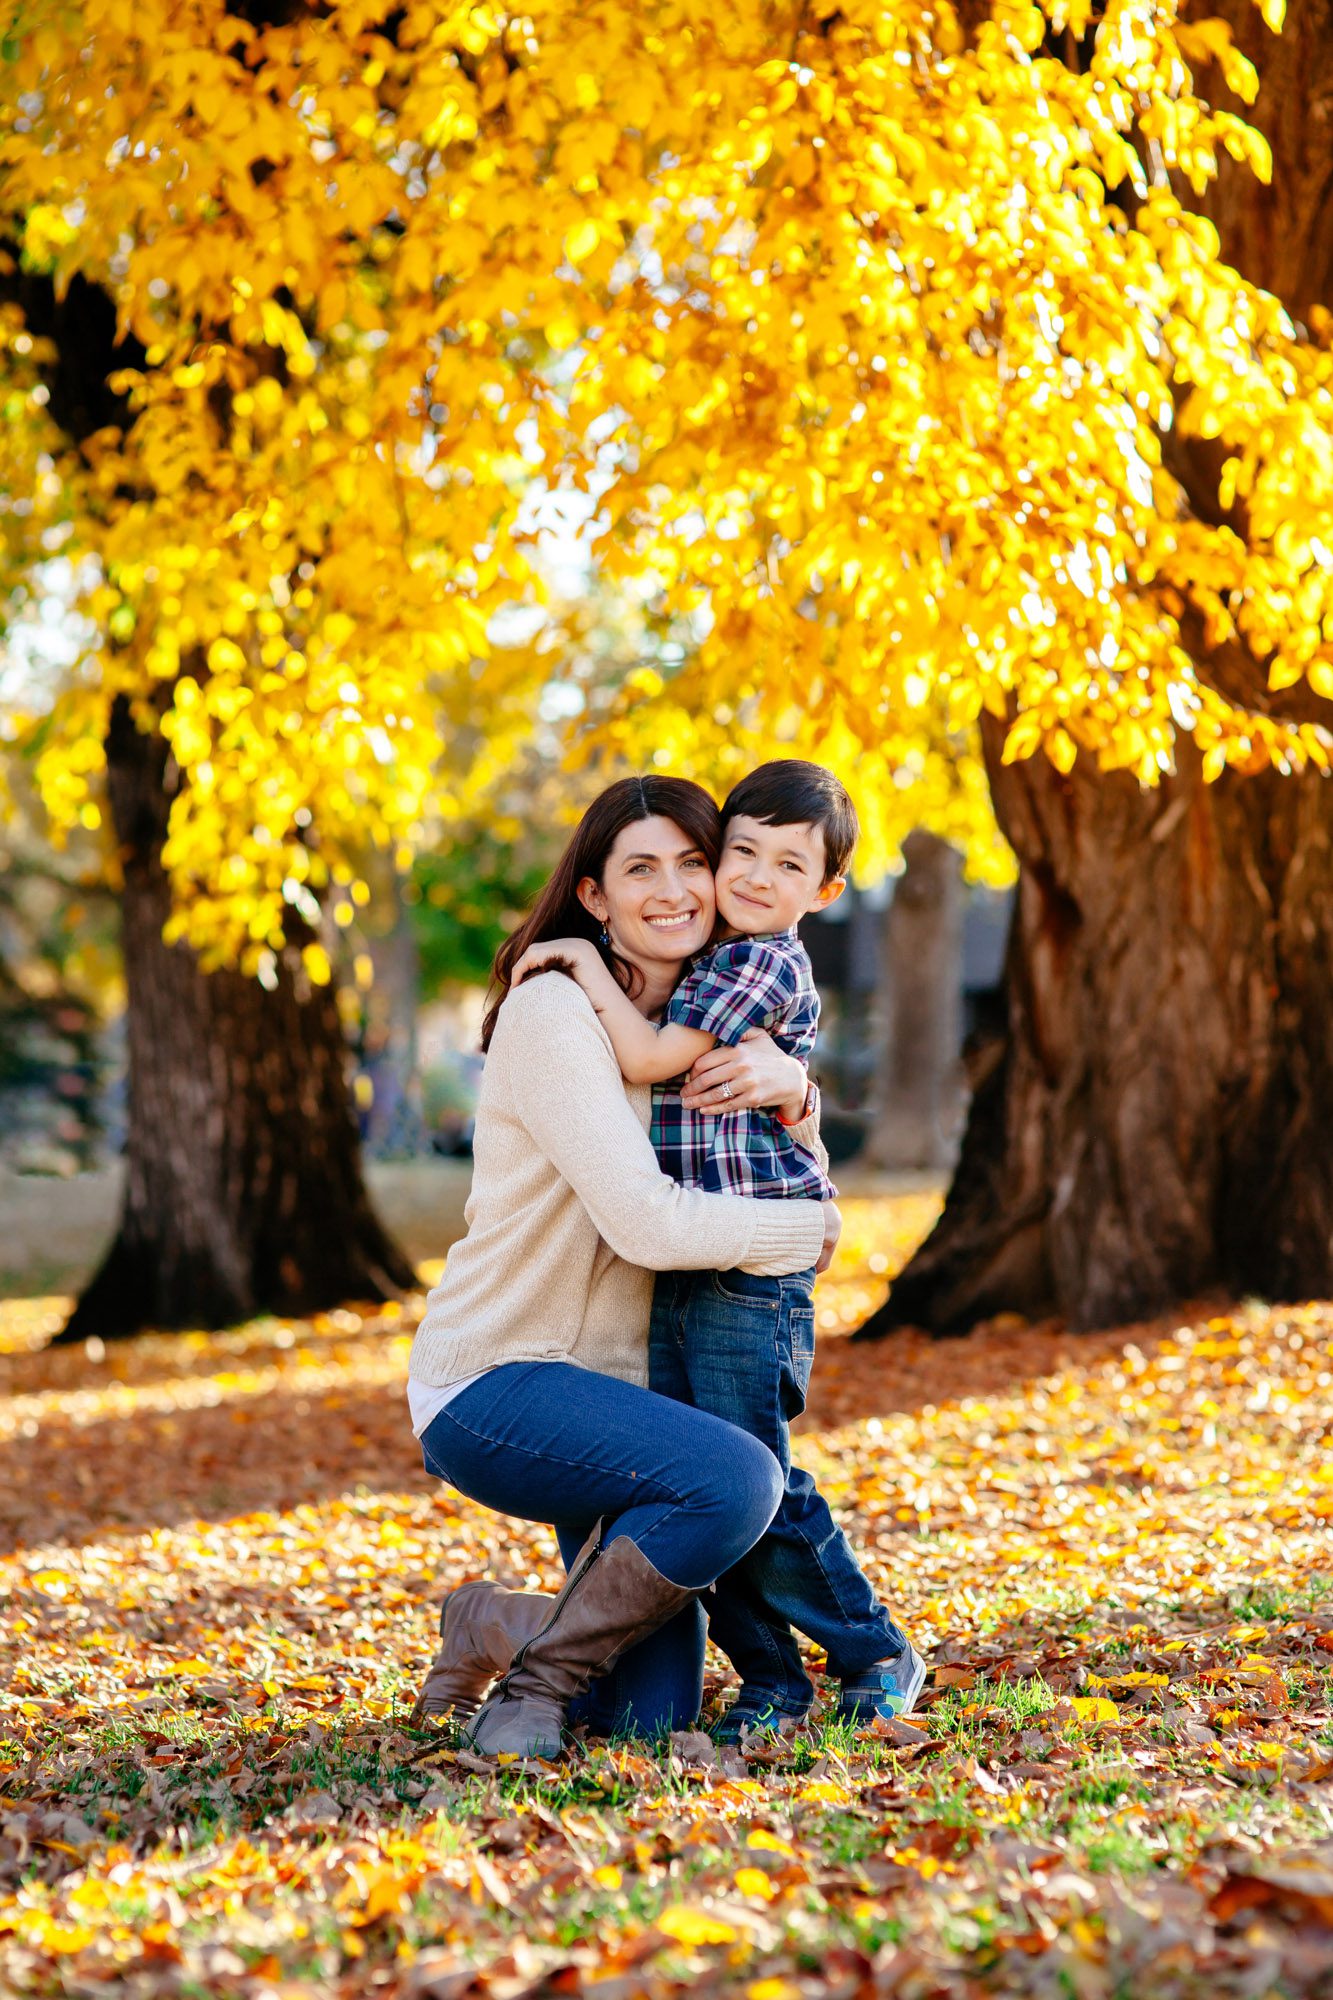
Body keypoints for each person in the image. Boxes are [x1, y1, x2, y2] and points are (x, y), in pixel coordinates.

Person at [405, 776, 839, 1758]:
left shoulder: (705, 1009)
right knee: (739, 1478)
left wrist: (794, 1089)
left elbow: (772, 1158)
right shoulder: (555, 1013)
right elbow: (646, 1221)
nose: (674, 890)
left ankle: (488, 1621)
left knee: (649, 1717)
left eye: (693, 861)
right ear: (594, 897)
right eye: (641, 868)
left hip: (617, 1399)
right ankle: (537, 1685)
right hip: (499, 1373)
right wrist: (805, 1234)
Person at [514, 760, 926, 1739]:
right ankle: (772, 1680)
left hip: (748, 1269)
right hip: (685, 1261)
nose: (752, 876)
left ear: (825, 890)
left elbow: (651, 1056)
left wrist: (575, 964)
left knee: (755, 1481)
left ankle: (872, 1649)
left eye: (787, 864)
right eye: (740, 850)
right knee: (711, 1485)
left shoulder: (760, 962)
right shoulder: (710, 954)